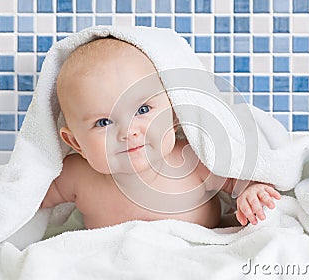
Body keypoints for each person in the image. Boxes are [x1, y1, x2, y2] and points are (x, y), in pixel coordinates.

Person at [40, 37, 281, 229]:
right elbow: (28, 201)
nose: (128, 132)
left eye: (143, 109)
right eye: (103, 122)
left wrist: (251, 193)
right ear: (76, 142)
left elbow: (240, 176)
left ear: (174, 114)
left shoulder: (193, 160)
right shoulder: (75, 176)